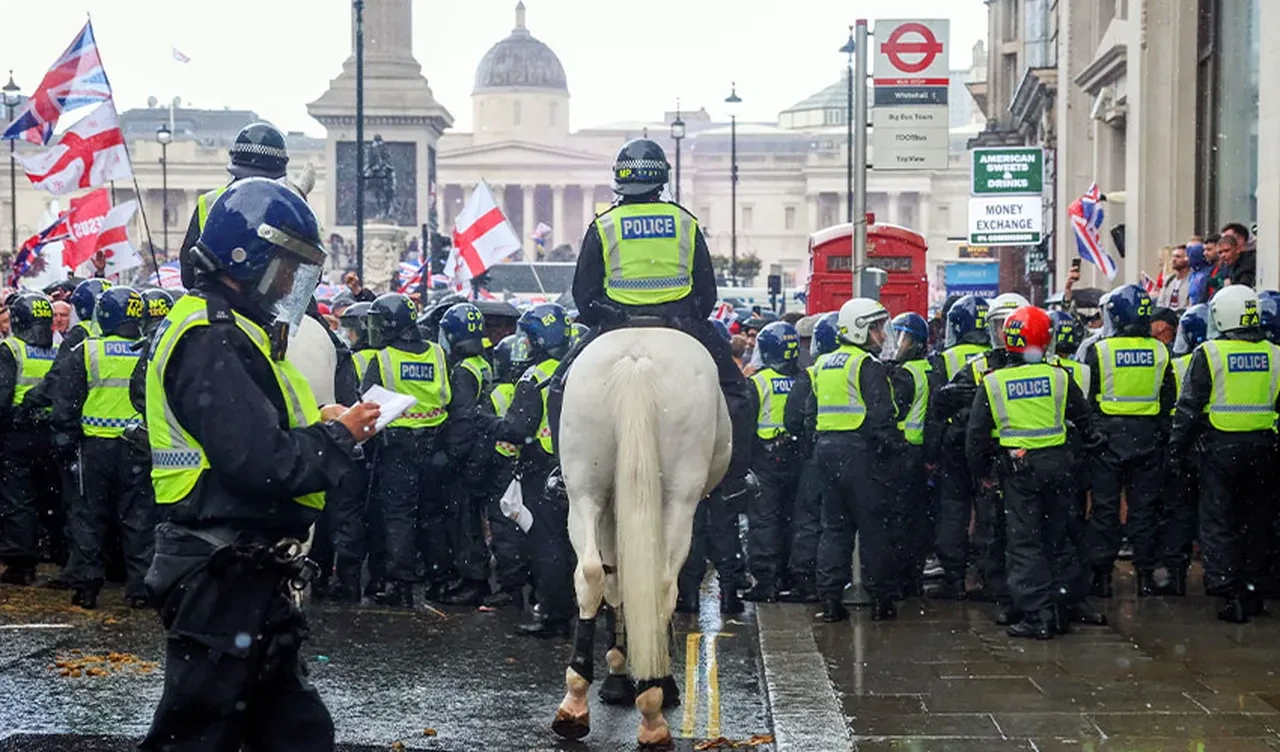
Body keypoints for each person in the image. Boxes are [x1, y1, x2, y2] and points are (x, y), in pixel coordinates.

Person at [139, 178, 378, 752]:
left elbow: (257, 432)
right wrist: (336, 438)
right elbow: (258, 462)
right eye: (286, 265)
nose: (291, 282)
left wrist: (322, 423)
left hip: (244, 567)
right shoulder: (212, 337)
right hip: (220, 569)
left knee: (295, 732)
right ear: (247, 256)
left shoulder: (233, 328)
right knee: (199, 737)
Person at [549, 138, 754, 486]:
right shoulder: (685, 222)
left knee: (558, 388)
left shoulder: (604, 225)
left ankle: (563, 473)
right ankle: (739, 477)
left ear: (620, 181)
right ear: (662, 181)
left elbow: (584, 295)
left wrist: (609, 314)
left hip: (615, 325)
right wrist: (685, 314)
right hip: (682, 323)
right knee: (738, 393)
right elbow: (707, 293)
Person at [966, 306, 1098, 639]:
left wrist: (982, 473)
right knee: (1059, 538)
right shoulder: (1059, 377)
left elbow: (976, 438)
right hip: (1059, 468)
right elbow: (1085, 421)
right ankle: (1062, 606)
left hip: (1019, 473)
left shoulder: (993, 382)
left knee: (1024, 543)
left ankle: (1038, 615)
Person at [1170, 286, 1280, 622]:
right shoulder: (1275, 353)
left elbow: (1189, 407)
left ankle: (1229, 590)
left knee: (1219, 521)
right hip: (1263, 448)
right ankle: (1253, 588)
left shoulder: (1210, 353)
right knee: (1256, 521)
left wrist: (1177, 449)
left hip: (1219, 449)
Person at [360, 292, 473, 607]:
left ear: (392, 324)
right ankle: (439, 578)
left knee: (399, 516)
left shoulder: (383, 358)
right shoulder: (438, 353)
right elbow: (453, 400)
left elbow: (366, 400)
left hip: (397, 448)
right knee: (432, 514)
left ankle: (400, 584)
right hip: (435, 447)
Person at [51, 286, 152, 610]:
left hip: (94, 448)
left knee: (89, 517)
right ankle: (140, 589)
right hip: (137, 447)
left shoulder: (87, 350)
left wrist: (65, 439)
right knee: (138, 517)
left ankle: (87, 586)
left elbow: (66, 402)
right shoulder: (147, 350)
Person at [936, 292, 1029, 620]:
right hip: (990, 454)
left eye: (1011, 325)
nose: (1005, 333)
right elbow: (945, 403)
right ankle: (997, 587)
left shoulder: (1041, 367)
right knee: (990, 524)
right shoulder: (979, 365)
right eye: (999, 325)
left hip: (1022, 457)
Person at [1082, 284, 1176, 598]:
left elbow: (1088, 399)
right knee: (1144, 512)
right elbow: (1168, 399)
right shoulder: (1161, 351)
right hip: (1148, 439)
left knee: (1105, 511)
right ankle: (1146, 577)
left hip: (1108, 440)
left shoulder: (1100, 350)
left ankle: (1102, 578)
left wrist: (1094, 434)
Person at [810, 298, 898, 622]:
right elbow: (881, 415)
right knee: (873, 528)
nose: (882, 335)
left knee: (834, 529)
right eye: (876, 328)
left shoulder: (823, 363)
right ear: (858, 330)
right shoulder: (866, 365)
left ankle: (830, 601)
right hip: (859, 451)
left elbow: (809, 411)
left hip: (826, 450)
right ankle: (882, 600)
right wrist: (893, 451)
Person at [495, 303, 574, 637]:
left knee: (548, 545)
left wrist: (490, 424)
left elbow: (518, 428)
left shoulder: (535, 377)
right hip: (578, 467)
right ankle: (578, 608)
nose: (523, 344)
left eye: (527, 338)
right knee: (574, 543)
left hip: (543, 470)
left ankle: (554, 615)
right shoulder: (578, 367)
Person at [928, 295, 992, 600]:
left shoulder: (943, 359)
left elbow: (935, 410)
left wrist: (931, 454)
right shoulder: (995, 357)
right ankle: (985, 574)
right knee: (988, 508)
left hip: (954, 441)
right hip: (988, 441)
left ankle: (954, 578)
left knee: (953, 508)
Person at [177, 122, 291, 289]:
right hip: (264, 301)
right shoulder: (286, 209)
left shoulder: (210, 202)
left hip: (214, 299)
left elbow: (188, 273)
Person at [777, 311, 839, 603]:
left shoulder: (812, 374)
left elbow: (792, 419)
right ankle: (835, 584)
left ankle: (807, 581)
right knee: (839, 522)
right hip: (856, 457)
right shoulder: (865, 366)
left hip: (815, 455)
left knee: (809, 519)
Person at [436, 302, 495, 606]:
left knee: (465, 521)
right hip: (483, 449)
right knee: (473, 517)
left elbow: (462, 419)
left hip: (468, 454)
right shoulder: (481, 362)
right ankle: (473, 575)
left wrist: (451, 455)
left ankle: (474, 580)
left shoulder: (462, 371)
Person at [0, 292, 58, 585]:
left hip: (18, 432)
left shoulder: (11, 349)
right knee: (48, 496)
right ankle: (53, 552)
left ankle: (20, 563)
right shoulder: (57, 350)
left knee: (18, 498)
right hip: (51, 434)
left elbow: (2, 397)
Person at [742, 321, 802, 604]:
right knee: (793, 519)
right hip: (796, 457)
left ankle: (766, 582)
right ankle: (791, 575)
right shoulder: (804, 378)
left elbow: (745, 427)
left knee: (764, 521)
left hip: (765, 459)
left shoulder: (758, 382)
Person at [884, 311, 942, 597]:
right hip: (924, 453)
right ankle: (913, 576)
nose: (898, 345)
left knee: (899, 518)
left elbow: (893, 411)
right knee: (918, 518)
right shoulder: (931, 368)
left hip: (903, 451)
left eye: (903, 339)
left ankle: (899, 578)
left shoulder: (904, 374)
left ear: (916, 343)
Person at [480, 334, 530, 608]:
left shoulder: (497, 394)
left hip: (503, 468)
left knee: (505, 530)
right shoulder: (536, 385)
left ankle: (511, 589)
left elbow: (487, 432)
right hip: (534, 467)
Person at [1220, 222, 1256, 288]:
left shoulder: (1250, 262)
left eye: (1228, 239)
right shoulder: (1228, 263)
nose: (1224, 242)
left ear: (1240, 239)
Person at [1158, 244, 1192, 310]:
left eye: (1178, 257)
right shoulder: (1169, 280)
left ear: (1187, 259)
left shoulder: (1192, 280)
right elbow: (1160, 303)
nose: (1174, 259)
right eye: (1173, 256)